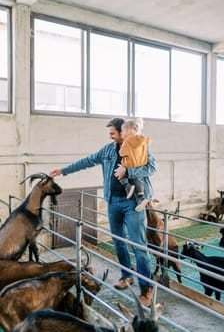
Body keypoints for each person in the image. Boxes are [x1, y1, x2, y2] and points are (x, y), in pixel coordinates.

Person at [49, 117, 156, 306]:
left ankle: (147, 288)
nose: (110, 136)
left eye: (113, 133)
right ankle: (126, 275)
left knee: (138, 245)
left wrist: (129, 173)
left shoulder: (139, 146)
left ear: (124, 132)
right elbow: (87, 161)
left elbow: (151, 168)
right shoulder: (107, 150)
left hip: (133, 203)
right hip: (113, 201)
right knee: (118, 242)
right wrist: (63, 171)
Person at [119, 117, 151, 212]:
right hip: (140, 162)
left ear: (128, 131)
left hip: (131, 163)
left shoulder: (127, 141)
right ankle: (141, 196)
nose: (122, 133)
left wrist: (122, 151)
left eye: (123, 131)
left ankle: (127, 186)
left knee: (120, 171)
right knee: (136, 179)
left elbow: (122, 152)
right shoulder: (143, 140)